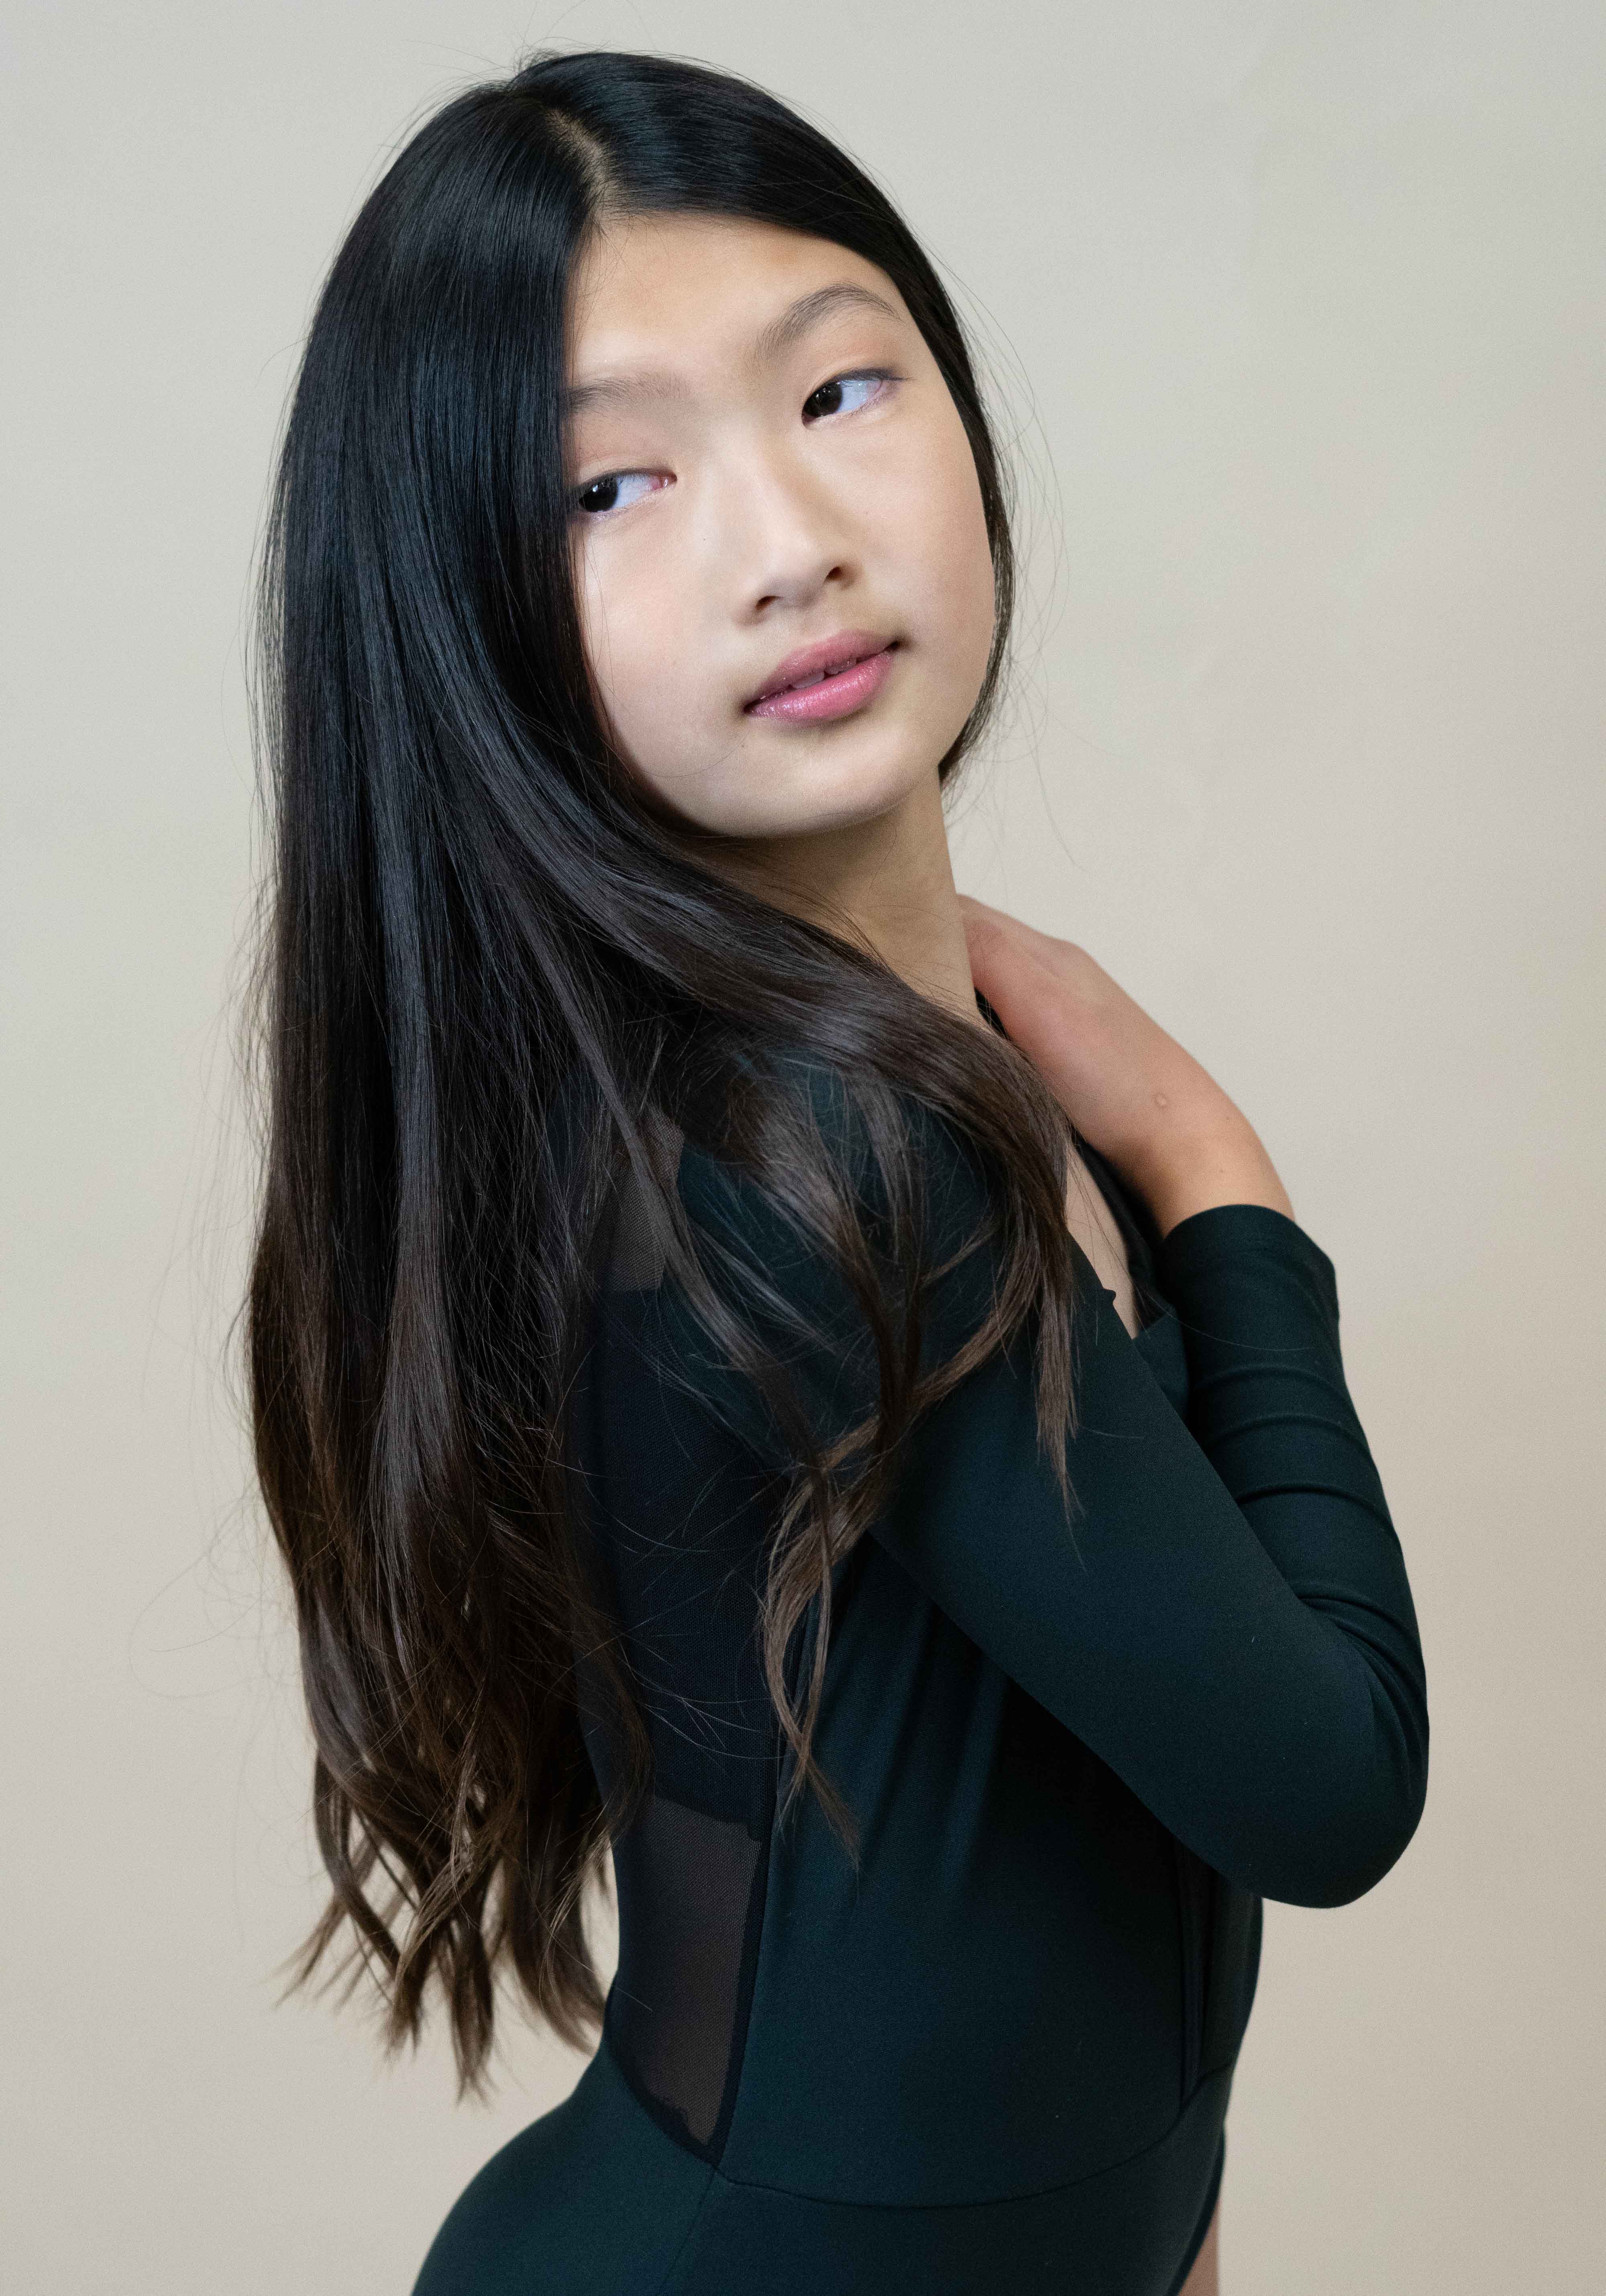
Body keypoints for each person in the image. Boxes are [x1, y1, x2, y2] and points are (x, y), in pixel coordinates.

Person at [245, 48, 1429, 2296]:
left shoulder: (909, 1082)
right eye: (612, 486)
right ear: (465, 605)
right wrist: (1218, 1170)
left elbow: (1088, 1852)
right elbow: (1326, 1783)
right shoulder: (811, 1154)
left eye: (840, 389)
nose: (789, 544)